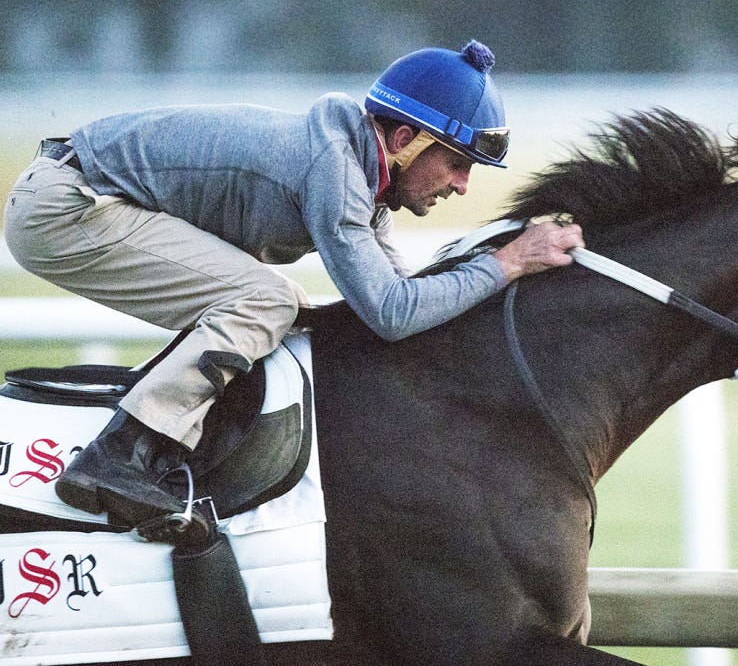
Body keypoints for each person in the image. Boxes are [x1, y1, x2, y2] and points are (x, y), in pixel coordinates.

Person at [3, 40, 584, 529]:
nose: (462, 185)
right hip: (67, 208)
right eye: (458, 162)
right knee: (269, 300)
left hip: (83, 194)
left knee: (288, 307)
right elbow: (393, 312)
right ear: (404, 139)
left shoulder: (363, 180)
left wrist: (497, 266)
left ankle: (166, 445)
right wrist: (508, 262)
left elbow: (408, 300)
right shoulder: (331, 168)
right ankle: (118, 457)